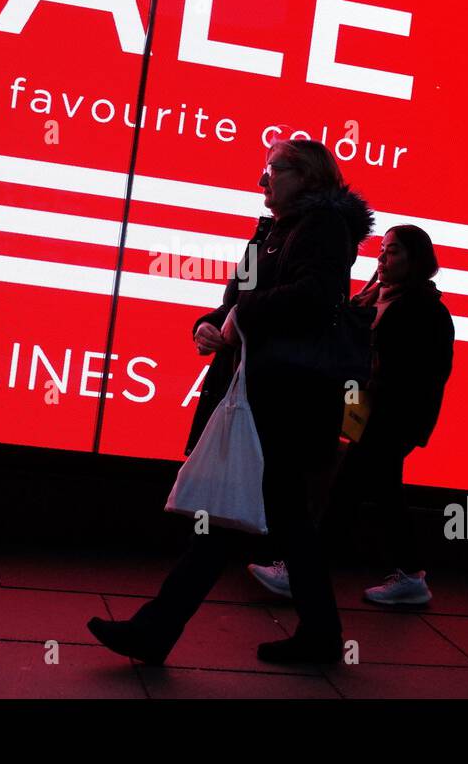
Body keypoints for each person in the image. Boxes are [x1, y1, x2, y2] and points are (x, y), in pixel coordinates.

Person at [87, 139, 374, 665]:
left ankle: (158, 632)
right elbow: (235, 298)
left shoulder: (323, 229)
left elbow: (310, 299)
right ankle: (320, 636)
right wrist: (210, 323)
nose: (261, 182)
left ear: (305, 175)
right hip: (268, 396)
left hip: (285, 400)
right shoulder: (272, 230)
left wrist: (240, 319)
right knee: (278, 520)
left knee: (232, 521)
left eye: (271, 171)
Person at [247, 225, 455, 606]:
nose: (382, 257)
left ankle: (302, 571)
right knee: (382, 491)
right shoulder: (374, 296)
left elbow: (421, 373)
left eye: (393, 251)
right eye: (382, 250)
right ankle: (410, 575)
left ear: (416, 259)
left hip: (389, 418)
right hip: (364, 412)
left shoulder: (425, 309)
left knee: (343, 492)